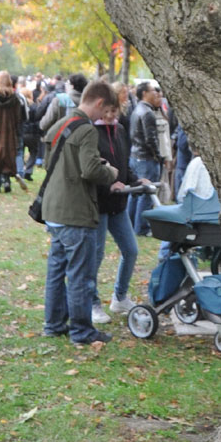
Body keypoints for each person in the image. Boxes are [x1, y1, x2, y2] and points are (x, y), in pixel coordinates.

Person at [42, 80, 120, 346]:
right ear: (99, 103)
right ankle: (82, 331)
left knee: (57, 269)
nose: (104, 117)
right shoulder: (86, 129)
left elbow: (50, 161)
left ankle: (53, 324)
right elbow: (90, 170)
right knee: (80, 274)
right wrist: (110, 172)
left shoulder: (61, 123)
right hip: (75, 211)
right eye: (105, 110)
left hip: (53, 208)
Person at [91, 86, 144, 323]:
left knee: (131, 250)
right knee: (97, 254)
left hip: (118, 204)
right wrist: (108, 185)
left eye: (115, 111)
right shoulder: (91, 131)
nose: (111, 116)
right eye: (108, 111)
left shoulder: (120, 130)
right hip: (99, 203)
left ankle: (119, 297)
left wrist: (134, 179)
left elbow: (123, 163)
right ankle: (92, 303)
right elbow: (92, 169)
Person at [128, 81, 166, 235]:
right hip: (146, 158)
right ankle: (142, 228)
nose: (156, 93)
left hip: (136, 156)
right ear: (144, 93)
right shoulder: (147, 112)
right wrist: (158, 156)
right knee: (147, 193)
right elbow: (150, 139)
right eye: (152, 91)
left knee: (135, 193)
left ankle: (131, 223)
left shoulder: (138, 109)